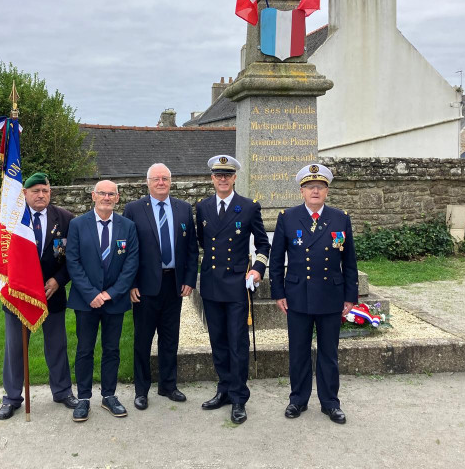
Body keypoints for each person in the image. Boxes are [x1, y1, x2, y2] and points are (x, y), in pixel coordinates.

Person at [269, 163, 359, 424]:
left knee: (329, 353)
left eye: (320, 187)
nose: (315, 191)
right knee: (298, 351)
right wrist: (278, 293)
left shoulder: (340, 218)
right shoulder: (288, 217)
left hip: (331, 296)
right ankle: (297, 399)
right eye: (310, 187)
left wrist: (350, 296)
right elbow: (276, 261)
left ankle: (330, 402)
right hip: (297, 294)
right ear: (302, 191)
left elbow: (349, 261)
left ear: (327, 191)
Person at [0, 172, 78, 421]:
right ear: (24, 193)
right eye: (36, 190)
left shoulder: (66, 219)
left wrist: (59, 280)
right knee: (15, 349)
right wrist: (16, 280)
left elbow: (74, 258)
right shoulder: (11, 219)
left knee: (57, 346)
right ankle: (12, 398)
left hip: (52, 294)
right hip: (19, 297)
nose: (41, 195)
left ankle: (62, 391)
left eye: (45, 190)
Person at [195, 155, 270, 424]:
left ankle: (239, 397)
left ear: (235, 177)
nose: (223, 179)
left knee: (238, 344)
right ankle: (224, 389)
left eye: (227, 175)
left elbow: (263, 245)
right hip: (212, 285)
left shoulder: (249, 207)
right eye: (218, 175)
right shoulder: (202, 207)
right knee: (218, 342)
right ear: (212, 178)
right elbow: (200, 242)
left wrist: (257, 270)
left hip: (237, 285)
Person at [123, 163, 199, 411]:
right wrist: (131, 283)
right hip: (145, 287)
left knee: (170, 338)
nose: (161, 182)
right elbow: (128, 251)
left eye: (165, 178)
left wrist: (189, 279)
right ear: (148, 182)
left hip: (174, 284)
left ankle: (168, 384)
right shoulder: (134, 210)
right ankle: (141, 390)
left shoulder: (184, 209)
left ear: (171, 181)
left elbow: (191, 250)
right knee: (143, 341)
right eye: (156, 179)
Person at [65, 180, 139, 422]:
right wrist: (91, 294)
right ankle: (83, 399)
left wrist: (110, 293)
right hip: (85, 302)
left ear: (117, 198)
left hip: (114, 301)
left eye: (111, 194)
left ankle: (109, 395)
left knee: (112, 349)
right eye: (102, 194)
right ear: (93, 196)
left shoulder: (127, 226)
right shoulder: (77, 224)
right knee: (85, 349)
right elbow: (73, 262)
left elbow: (131, 265)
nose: (107, 198)